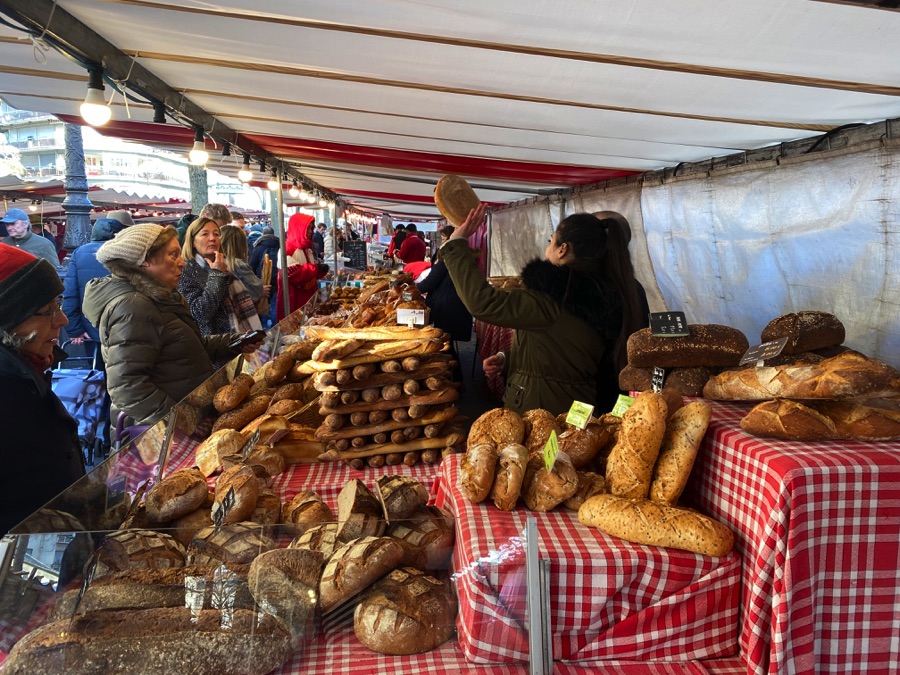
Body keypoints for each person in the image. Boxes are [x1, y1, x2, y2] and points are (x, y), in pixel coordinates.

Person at [443, 205, 646, 415]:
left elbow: (483, 303)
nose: (547, 247)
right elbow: (566, 353)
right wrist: (509, 361)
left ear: (563, 249)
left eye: (550, 240)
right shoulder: (609, 292)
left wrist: (456, 244)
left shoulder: (554, 298)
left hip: (544, 410)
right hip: (579, 406)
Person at [82, 224, 257, 427]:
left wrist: (234, 342)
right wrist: (181, 423)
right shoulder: (134, 307)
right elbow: (127, 386)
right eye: (173, 255)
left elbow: (184, 350)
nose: (182, 263)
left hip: (191, 416)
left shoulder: (161, 298)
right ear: (144, 261)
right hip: (161, 437)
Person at [0, 244, 85, 534]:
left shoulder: (26, 370)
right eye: (47, 311)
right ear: (7, 324)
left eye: (59, 305)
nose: (62, 320)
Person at [63, 210, 134, 345]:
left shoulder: (79, 252)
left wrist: (75, 329)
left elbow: (71, 294)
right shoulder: (128, 251)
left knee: (96, 365)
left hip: (91, 329)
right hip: (126, 326)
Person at [178, 217, 259, 335]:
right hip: (211, 345)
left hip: (237, 338)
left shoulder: (225, 266)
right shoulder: (186, 271)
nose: (212, 239)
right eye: (204, 234)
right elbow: (200, 314)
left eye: (216, 234)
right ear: (192, 241)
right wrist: (217, 274)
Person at [276, 212, 329, 322]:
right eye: (308, 228)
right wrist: (316, 269)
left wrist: (319, 271)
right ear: (299, 228)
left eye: (311, 228)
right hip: (294, 300)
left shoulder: (306, 249)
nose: (310, 232)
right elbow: (293, 274)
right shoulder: (287, 249)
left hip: (308, 298)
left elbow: (310, 273)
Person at [220, 224, 269, 327]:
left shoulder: (218, 265)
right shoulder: (238, 264)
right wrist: (261, 289)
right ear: (240, 245)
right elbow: (256, 288)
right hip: (243, 316)